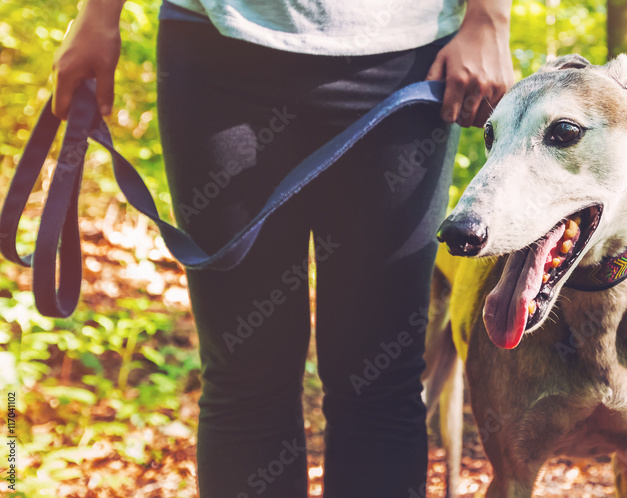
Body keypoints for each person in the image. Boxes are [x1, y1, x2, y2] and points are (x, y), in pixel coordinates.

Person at [51, 0, 514, 495]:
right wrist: (99, 14)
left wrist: (488, 17)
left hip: (404, 55)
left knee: (377, 382)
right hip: (215, 47)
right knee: (245, 377)